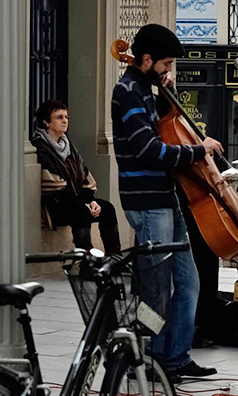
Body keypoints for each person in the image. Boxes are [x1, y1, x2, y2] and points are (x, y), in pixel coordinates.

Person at [111, 23, 221, 377]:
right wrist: (197, 151)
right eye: (167, 63)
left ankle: (174, 356)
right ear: (146, 60)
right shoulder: (127, 92)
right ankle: (141, 360)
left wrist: (165, 94)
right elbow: (147, 149)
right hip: (146, 203)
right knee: (154, 291)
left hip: (166, 197)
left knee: (189, 282)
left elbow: (164, 126)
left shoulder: (146, 90)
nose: (169, 70)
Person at [32, 100, 122, 254]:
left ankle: (115, 259)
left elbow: (85, 176)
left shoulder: (68, 145)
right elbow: (53, 187)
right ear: (46, 122)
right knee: (81, 212)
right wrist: (84, 205)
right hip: (54, 206)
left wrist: (91, 201)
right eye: (59, 117)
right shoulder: (40, 146)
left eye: (66, 117)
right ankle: (87, 260)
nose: (65, 120)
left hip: (76, 202)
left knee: (107, 208)